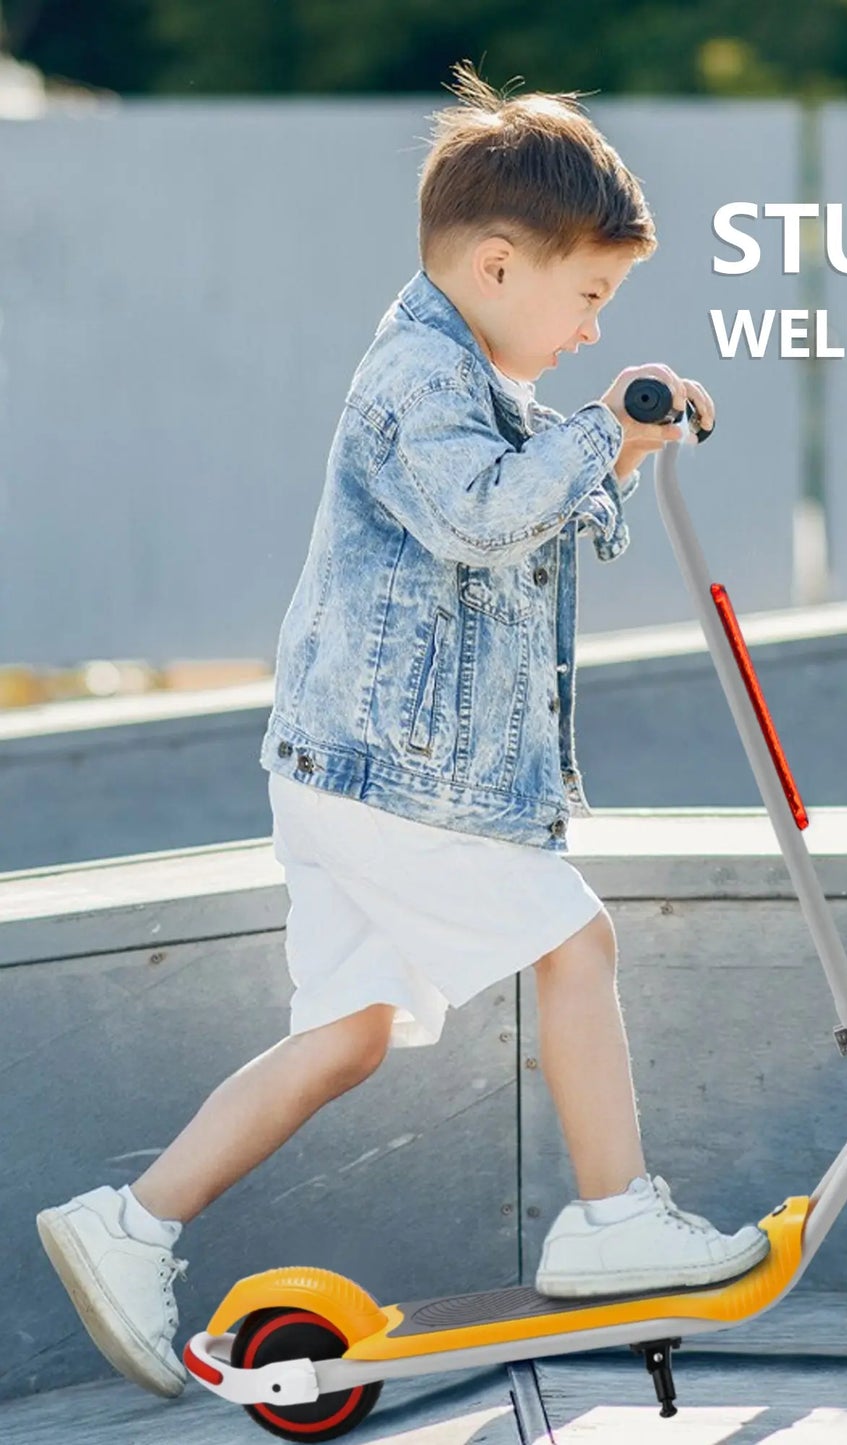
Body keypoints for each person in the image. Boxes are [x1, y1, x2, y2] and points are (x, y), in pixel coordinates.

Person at [35, 66, 769, 1401]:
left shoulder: (466, 372)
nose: (596, 331)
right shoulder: (418, 377)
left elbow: (528, 505)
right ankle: (613, 1218)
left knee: (352, 1030)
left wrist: (620, 446)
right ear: (498, 264)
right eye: (589, 297)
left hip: (350, 770)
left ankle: (131, 1221)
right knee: (576, 939)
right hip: (395, 780)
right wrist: (601, 432)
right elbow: (483, 514)